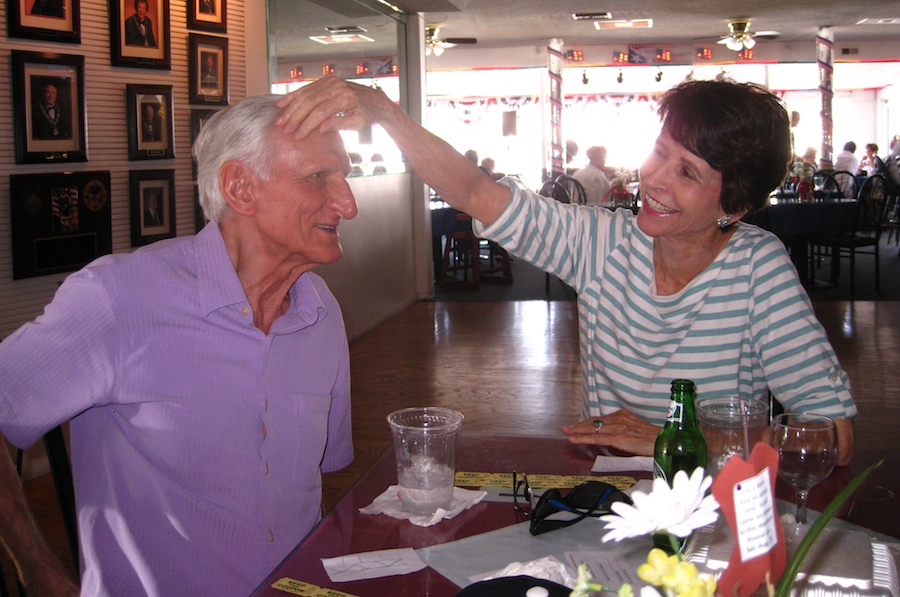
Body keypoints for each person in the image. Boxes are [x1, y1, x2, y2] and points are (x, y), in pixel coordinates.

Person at [276, 76, 857, 467]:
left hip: (712, 497)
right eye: (659, 151)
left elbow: (835, 436)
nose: (654, 179)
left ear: (735, 203)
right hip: (606, 485)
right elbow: (478, 190)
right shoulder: (603, 243)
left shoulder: (758, 270)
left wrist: (669, 440)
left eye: (687, 172)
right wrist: (381, 110)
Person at [0, 94, 357, 595]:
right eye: (318, 177)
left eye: (346, 175)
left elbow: (310, 485)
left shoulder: (318, 309)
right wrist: (38, 570)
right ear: (241, 187)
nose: (348, 204)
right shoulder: (119, 300)